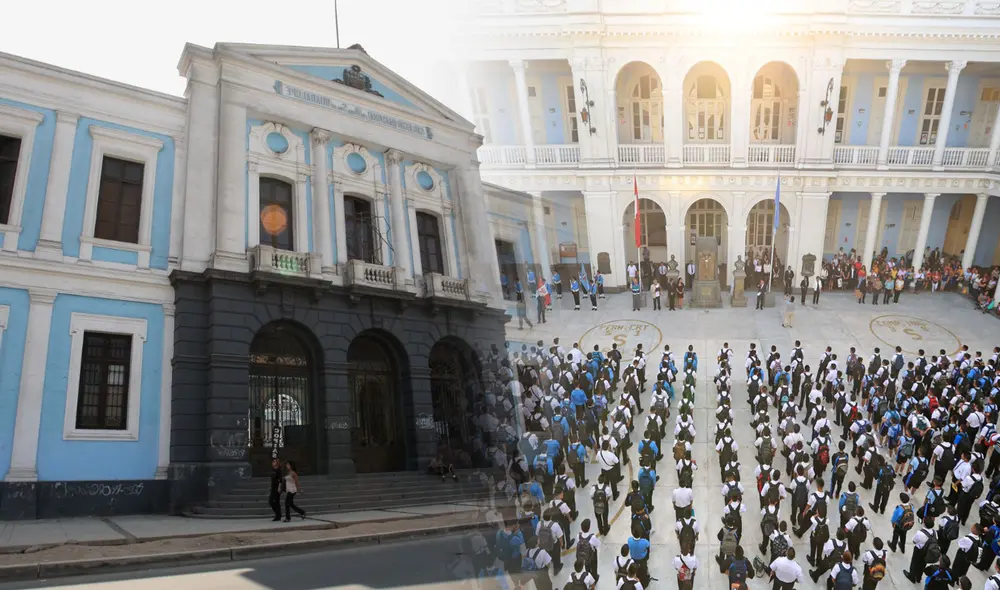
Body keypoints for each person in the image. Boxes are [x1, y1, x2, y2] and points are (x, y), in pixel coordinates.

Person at [268, 457, 284, 522]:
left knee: (276, 502)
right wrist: (270, 486)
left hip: (277, 488)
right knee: (271, 501)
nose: (273, 463)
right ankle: (278, 514)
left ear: (277, 463)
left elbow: (280, 480)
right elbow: (272, 479)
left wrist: (279, 488)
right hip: (273, 488)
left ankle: (278, 515)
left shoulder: (279, 470)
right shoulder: (273, 470)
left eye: (274, 462)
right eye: (272, 462)